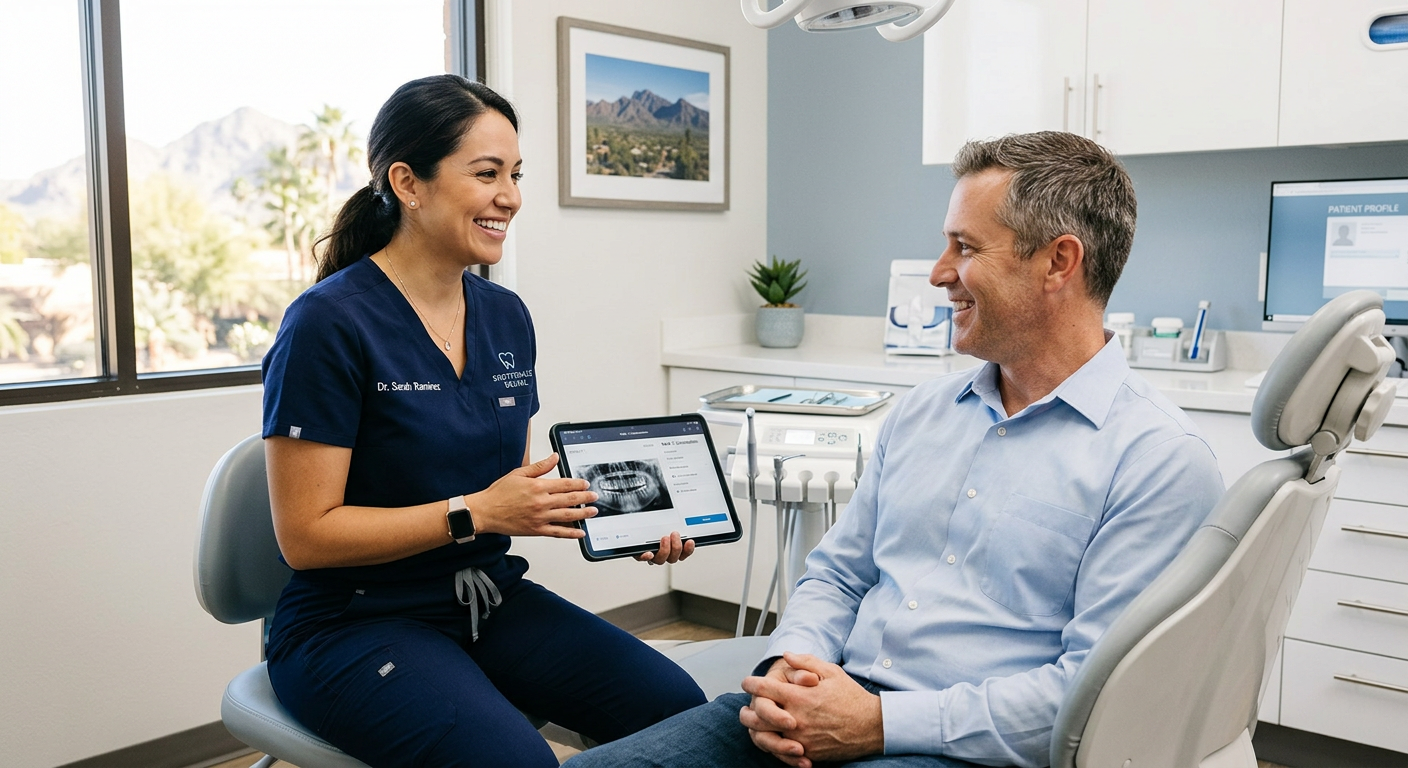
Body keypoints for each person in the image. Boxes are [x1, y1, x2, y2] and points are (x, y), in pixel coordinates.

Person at [565, 131, 1224, 768]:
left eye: (965, 248)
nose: (939, 274)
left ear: (1058, 262)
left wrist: (877, 727)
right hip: (831, 698)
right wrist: (787, 671)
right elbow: (838, 574)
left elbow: (1093, 693)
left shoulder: (1159, 460)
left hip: (966, 749)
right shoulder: (925, 413)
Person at [260, 75, 706, 768]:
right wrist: (475, 512)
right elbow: (305, 538)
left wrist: (625, 522)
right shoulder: (328, 323)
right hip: (352, 622)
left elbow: (506, 494)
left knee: (679, 714)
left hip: (486, 597)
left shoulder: (505, 315)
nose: (511, 196)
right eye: (487, 173)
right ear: (409, 182)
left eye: (515, 174)